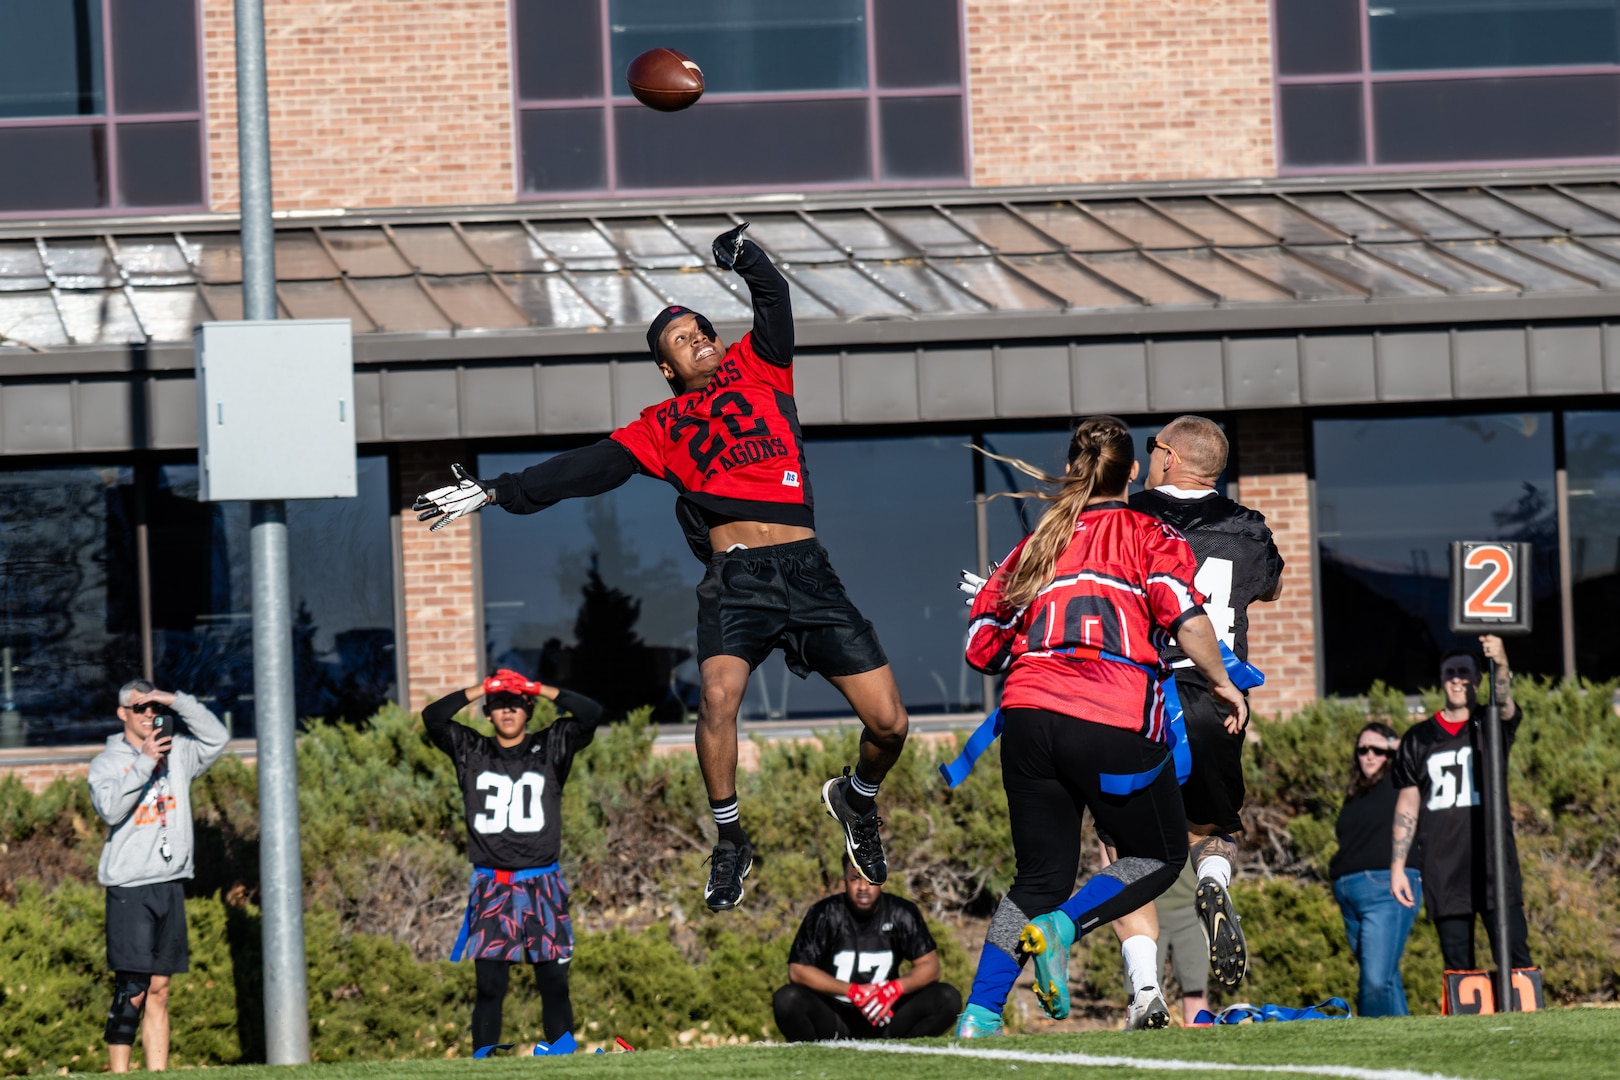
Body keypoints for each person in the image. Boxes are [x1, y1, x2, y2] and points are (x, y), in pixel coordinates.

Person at [412, 223, 908, 912]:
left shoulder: (764, 370)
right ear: (668, 369)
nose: (699, 335)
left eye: (703, 327)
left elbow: (774, 298)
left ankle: (856, 800)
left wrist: (745, 256)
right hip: (739, 582)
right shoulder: (657, 429)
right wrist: (499, 489)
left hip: (808, 572)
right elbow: (580, 469)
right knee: (716, 697)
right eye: (682, 338)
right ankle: (731, 838)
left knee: (891, 726)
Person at [952, 416, 1248, 1037]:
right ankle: (1060, 930)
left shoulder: (1037, 541)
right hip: (1110, 717)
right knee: (1161, 854)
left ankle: (978, 1016)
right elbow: (1186, 617)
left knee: (1037, 878)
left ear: (1074, 468)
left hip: (1028, 720)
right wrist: (1221, 682)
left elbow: (982, 648)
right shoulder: (1149, 532)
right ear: (1133, 472)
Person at [1123, 414, 1284, 992]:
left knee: (1121, 843)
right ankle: (1214, 878)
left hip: (1141, 694)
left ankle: (1144, 988)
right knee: (1213, 825)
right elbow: (1271, 586)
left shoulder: (1129, 517)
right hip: (1222, 695)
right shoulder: (1249, 525)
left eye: (1153, 446)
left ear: (1169, 455)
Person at [423, 668, 605, 1050]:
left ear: (529, 711)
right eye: (499, 705)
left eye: (516, 704)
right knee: (489, 984)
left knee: (554, 981)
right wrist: (482, 688)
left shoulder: (553, 744)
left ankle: (563, 1059)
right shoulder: (471, 750)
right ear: (488, 712)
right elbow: (433, 717)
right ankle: (484, 1062)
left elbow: (591, 713)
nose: (508, 711)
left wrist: (537, 687)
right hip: (493, 884)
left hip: (543, 883)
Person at [88, 679, 230, 1073]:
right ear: (123, 715)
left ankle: (158, 1073)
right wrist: (146, 760)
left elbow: (217, 738)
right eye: (140, 708)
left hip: (169, 883)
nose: (149, 714)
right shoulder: (107, 763)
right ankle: (119, 1072)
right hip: (129, 887)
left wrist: (176, 701)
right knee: (131, 989)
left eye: (154, 708)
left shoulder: (179, 752)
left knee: (160, 989)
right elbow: (111, 810)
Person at [1391, 637, 1530, 973]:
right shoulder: (1418, 738)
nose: (1457, 679)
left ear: (1478, 680)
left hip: (1494, 863)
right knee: (1459, 967)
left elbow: (1505, 703)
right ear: (1441, 679)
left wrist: (1502, 661)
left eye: (1465, 673)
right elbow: (1408, 804)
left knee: (1515, 959)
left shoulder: (1492, 724)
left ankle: (1527, 1026)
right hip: (1444, 868)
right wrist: (1397, 867)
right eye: (1450, 673)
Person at [772, 856, 961, 1042]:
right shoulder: (824, 913)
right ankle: (811, 1062)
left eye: (870, 879)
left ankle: (904, 1051)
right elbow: (798, 970)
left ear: (882, 880)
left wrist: (893, 989)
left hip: (886, 1015)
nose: (863, 887)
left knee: (947, 998)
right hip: (836, 1015)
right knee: (787, 1000)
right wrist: (852, 992)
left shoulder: (902, 912)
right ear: (844, 881)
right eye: (855, 878)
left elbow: (931, 966)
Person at [1331, 721, 1420, 1017]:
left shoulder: (1400, 779)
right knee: (1387, 978)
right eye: (1363, 749)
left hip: (1386, 888)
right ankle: (1406, 1044)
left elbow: (1419, 748)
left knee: (1374, 982)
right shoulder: (1356, 792)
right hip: (1349, 893)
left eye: (1377, 750)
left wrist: (1394, 746)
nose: (1369, 755)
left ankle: (1373, 1045)